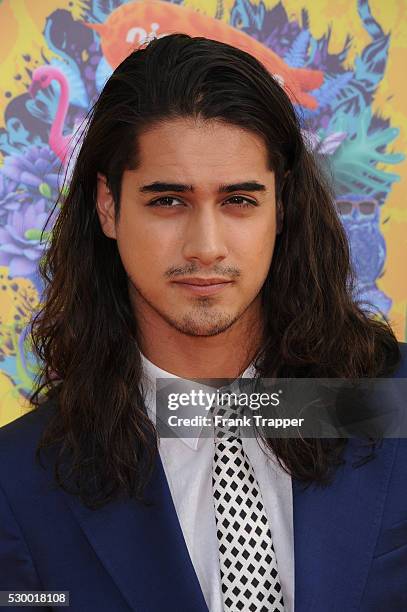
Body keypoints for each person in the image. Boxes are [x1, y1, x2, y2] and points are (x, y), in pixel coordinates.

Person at [0, 33, 406, 612]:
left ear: (282, 205)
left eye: (239, 200)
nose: (207, 246)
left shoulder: (392, 401)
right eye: (168, 201)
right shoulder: (19, 484)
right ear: (109, 206)